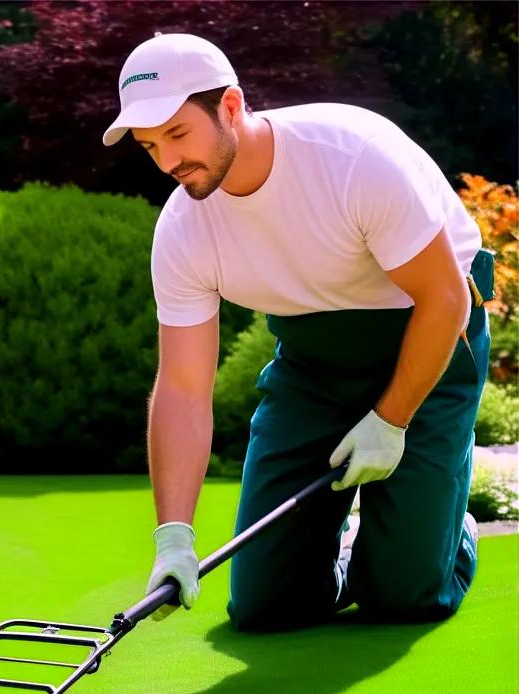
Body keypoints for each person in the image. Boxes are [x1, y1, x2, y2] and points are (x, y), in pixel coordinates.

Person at [102, 33, 493, 631]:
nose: (167, 162)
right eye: (149, 145)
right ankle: (350, 544)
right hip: (312, 367)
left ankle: (448, 530)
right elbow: (182, 386)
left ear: (231, 106)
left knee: (405, 598)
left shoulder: (352, 157)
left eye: (178, 135)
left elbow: (443, 298)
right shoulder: (183, 230)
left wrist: (390, 422)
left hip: (432, 337)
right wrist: (173, 537)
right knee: (265, 606)